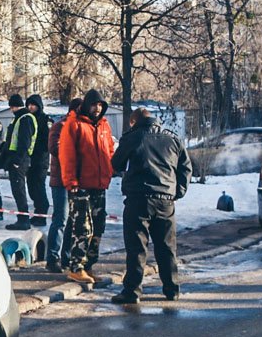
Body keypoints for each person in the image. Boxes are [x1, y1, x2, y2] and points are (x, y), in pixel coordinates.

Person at [110, 108, 191, 304]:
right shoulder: (172, 139)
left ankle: (132, 291)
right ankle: (172, 289)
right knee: (166, 247)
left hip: (138, 198)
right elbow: (186, 167)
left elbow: (116, 163)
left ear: (133, 121)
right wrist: (177, 191)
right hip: (165, 200)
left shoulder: (132, 138)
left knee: (137, 247)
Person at [58, 89, 116, 285]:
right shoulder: (74, 125)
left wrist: (108, 172)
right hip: (80, 185)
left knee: (98, 227)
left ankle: (89, 264)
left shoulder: (104, 126)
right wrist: (71, 181)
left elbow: (108, 150)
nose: (97, 109)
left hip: (99, 184)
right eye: (94, 105)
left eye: (100, 105)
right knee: (82, 227)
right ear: (86, 105)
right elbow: (67, 155)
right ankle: (76, 267)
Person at [45, 98, 81, 272]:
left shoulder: (81, 127)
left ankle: (66, 257)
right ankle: (52, 258)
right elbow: (55, 148)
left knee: (73, 221)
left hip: (76, 179)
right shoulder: (60, 126)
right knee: (61, 218)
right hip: (60, 180)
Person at [2, 94, 38, 231]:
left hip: (20, 160)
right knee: (17, 190)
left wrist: (17, 161)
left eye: (11, 107)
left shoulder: (25, 119)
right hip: (18, 159)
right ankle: (22, 219)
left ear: (13, 106)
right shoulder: (20, 118)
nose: (11, 110)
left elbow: (24, 142)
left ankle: (23, 220)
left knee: (19, 190)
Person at [25, 95, 53, 227]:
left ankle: (42, 213)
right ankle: (38, 212)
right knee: (31, 186)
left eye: (33, 105)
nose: (31, 107)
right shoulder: (28, 119)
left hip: (40, 159)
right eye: (29, 105)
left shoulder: (45, 119)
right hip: (29, 159)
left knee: (39, 186)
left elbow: (48, 139)